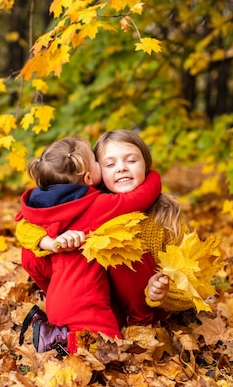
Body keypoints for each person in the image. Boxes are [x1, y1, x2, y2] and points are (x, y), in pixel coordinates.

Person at [23, 130, 196, 330]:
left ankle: (139, 324)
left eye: (131, 161)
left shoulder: (166, 216)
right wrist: (51, 243)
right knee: (33, 252)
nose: (121, 168)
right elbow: (27, 226)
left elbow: (193, 281)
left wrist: (165, 292)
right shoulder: (91, 202)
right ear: (94, 173)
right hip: (104, 301)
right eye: (110, 164)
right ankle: (72, 317)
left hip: (150, 304)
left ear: (145, 164)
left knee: (119, 243)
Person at [14, 136, 163, 355]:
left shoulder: (43, 203)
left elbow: (22, 226)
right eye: (101, 162)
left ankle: (58, 328)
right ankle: (70, 338)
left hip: (61, 287)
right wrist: (153, 176)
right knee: (100, 344)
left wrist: (49, 242)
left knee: (34, 254)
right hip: (81, 294)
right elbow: (139, 197)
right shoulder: (97, 205)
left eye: (130, 161)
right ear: (88, 177)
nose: (120, 169)